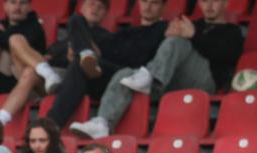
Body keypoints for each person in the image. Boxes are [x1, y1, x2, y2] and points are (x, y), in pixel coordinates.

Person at [70, 0, 244, 140]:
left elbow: (226, 54)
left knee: (178, 41)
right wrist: (168, 36)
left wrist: (192, 36)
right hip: (172, 80)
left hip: (206, 81)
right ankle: (103, 123)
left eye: (214, 1)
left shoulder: (232, 31)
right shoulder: (192, 24)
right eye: (205, 1)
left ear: (226, 3)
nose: (209, 6)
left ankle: (150, 77)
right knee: (125, 74)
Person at [47, 0, 168, 128]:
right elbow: (101, 52)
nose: (148, 7)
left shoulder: (165, 29)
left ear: (163, 7)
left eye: (154, 3)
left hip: (129, 77)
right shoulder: (124, 33)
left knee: (80, 59)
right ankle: (52, 124)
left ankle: (52, 124)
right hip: (101, 74)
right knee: (76, 23)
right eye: (144, 1)